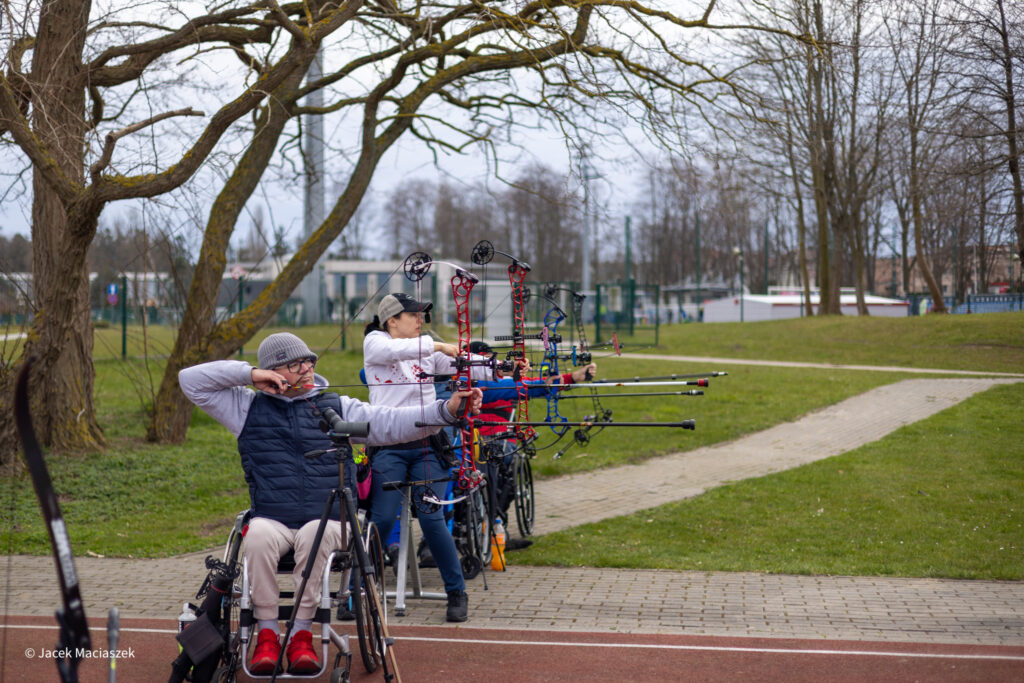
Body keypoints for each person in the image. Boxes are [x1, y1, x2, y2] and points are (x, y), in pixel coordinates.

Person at [179, 332, 481, 674]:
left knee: (314, 533)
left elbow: (392, 423)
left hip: (328, 520)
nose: (307, 369)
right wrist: (249, 374)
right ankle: (267, 635)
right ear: (272, 373)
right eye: (295, 364)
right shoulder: (245, 408)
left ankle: (300, 635)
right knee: (257, 536)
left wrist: (446, 410)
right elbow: (189, 380)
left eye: (309, 361)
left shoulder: (337, 407)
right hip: (273, 519)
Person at [363, 292, 493, 623]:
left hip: (426, 448)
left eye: (422, 315)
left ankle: (457, 592)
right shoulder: (375, 342)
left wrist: (501, 366)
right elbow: (393, 351)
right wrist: (437, 346)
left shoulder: (425, 352)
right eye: (413, 315)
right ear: (392, 321)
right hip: (389, 447)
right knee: (381, 520)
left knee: (432, 518)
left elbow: (466, 364)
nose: (420, 320)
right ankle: (356, 591)